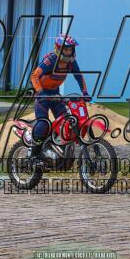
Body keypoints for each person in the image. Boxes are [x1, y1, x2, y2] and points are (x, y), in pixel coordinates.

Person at [29, 34, 90, 165]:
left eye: (70, 49)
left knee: (67, 123)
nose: (69, 52)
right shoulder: (50, 60)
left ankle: (56, 150)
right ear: (58, 48)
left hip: (55, 95)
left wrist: (85, 92)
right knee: (43, 124)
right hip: (42, 96)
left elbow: (78, 76)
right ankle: (33, 156)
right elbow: (34, 76)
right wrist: (40, 92)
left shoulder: (71, 62)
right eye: (66, 49)